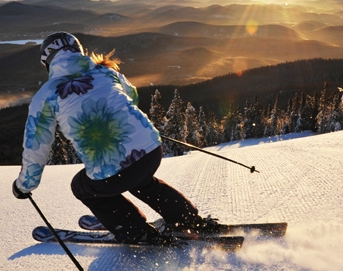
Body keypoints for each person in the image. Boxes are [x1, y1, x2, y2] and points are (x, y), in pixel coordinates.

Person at [12, 32, 215, 245]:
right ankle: (187, 220)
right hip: (151, 150)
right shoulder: (105, 71)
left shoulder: (47, 95)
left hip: (114, 170)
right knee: (142, 180)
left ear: (48, 63)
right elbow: (131, 96)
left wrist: (25, 186)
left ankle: (134, 231)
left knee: (82, 187)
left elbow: (37, 146)